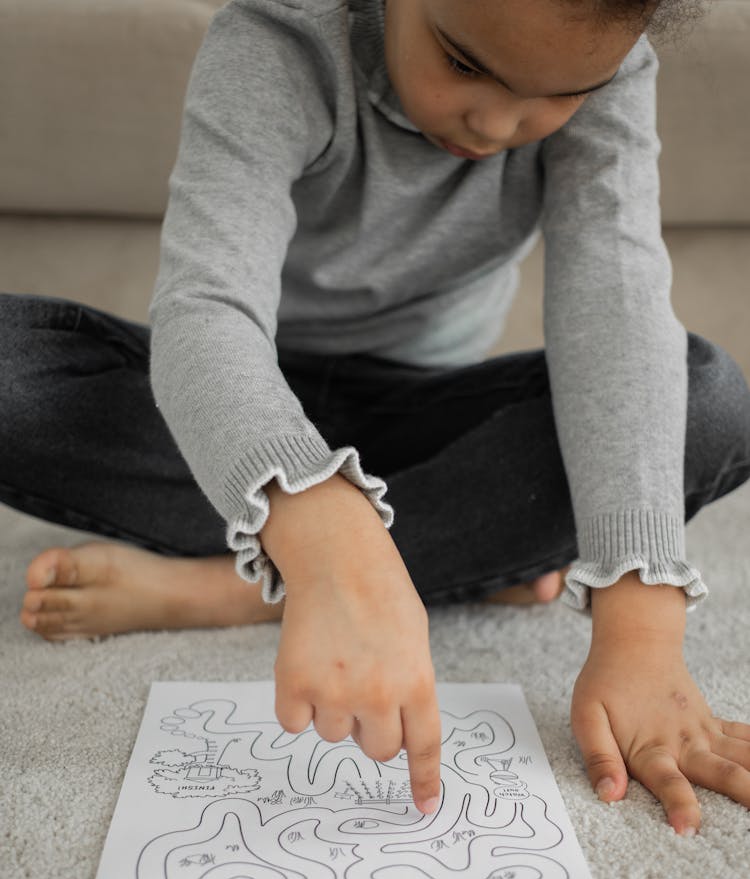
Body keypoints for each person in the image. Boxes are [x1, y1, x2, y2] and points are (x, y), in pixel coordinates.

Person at [2, 0, 749, 833]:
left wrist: (642, 622)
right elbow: (205, 313)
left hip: (424, 422)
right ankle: (377, 556)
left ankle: (243, 586)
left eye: (560, 94)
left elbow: (617, 311)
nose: (498, 122)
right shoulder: (279, 37)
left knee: (708, 401)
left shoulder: (613, 71)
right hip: (243, 404)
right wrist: (323, 528)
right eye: (465, 64)